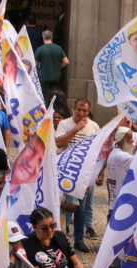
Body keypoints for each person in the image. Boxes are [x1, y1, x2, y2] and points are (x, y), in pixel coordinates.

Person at [56, 99, 100, 251]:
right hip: (66, 172)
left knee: (81, 207)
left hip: (84, 175)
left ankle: (79, 239)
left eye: (85, 111)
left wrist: (99, 173)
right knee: (64, 207)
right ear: (74, 109)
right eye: (79, 110)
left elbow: (98, 151)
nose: (82, 113)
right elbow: (59, 142)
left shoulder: (94, 126)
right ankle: (63, 237)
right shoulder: (64, 124)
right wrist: (76, 129)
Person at [105, 127, 135, 219]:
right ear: (122, 140)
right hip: (121, 206)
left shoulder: (113, 153)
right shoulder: (123, 157)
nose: (132, 141)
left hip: (114, 203)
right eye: (129, 138)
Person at [34, 30, 69, 104]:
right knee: (54, 97)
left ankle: (46, 113)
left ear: (43, 38)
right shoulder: (58, 48)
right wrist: (58, 67)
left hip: (44, 78)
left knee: (45, 98)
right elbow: (66, 61)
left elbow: (34, 64)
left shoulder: (40, 49)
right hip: (56, 77)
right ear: (52, 37)